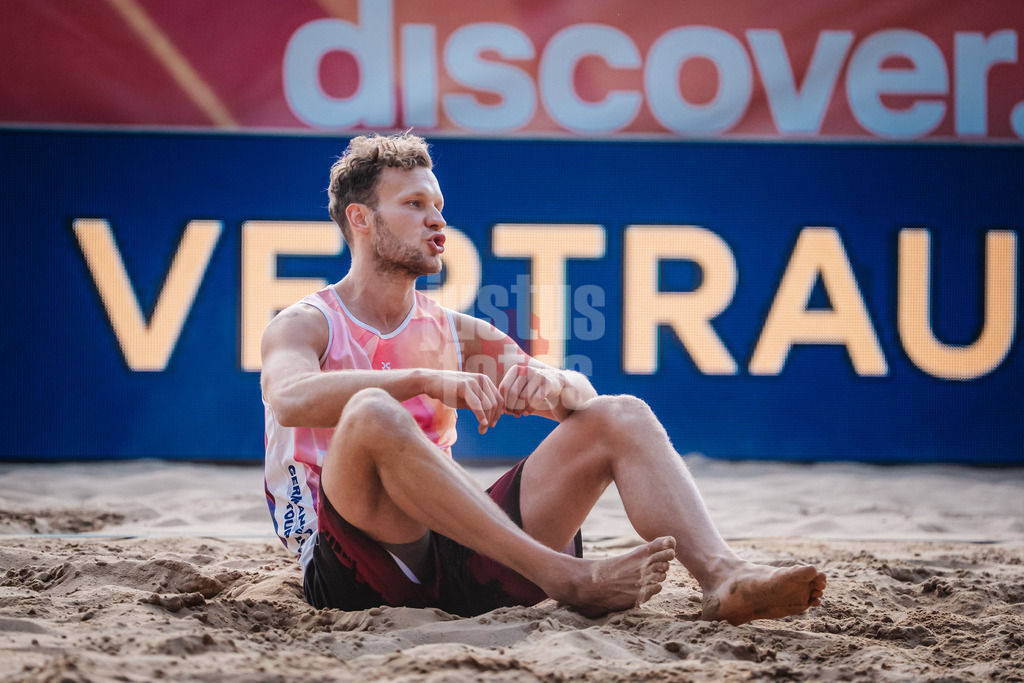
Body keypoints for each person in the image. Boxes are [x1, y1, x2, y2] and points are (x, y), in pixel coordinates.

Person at [261, 131, 826, 623]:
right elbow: (289, 401)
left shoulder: (457, 331)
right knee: (372, 413)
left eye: (438, 204)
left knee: (621, 413)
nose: (438, 219)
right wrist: (424, 380)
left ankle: (723, 576)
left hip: (462, 556)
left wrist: (554, 386)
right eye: (414, 204)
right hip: (356, 571)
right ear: (360, 218)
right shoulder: (307, 324)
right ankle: (564, 577)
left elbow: (579, 399)